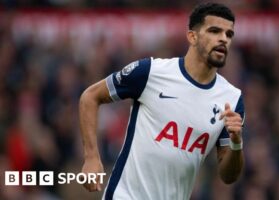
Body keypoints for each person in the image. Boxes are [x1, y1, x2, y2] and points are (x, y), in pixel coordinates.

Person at [79, 2, 245, 200]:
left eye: (229, 34)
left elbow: (228, 176)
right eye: (215, 31)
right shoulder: (150, 72)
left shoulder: (231, 99)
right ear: (192, 36)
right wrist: (91, 157)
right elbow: (90, 96)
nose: (223, 39)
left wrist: (236, 143)